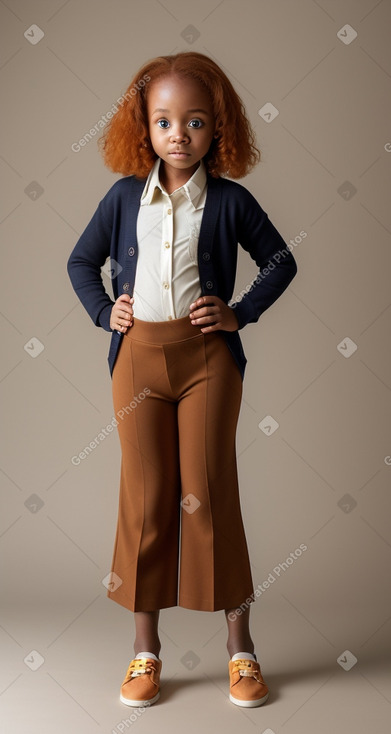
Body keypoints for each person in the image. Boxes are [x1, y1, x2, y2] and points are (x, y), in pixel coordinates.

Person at [67, 51, 297, 710]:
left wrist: (239, 311)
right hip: (137, 360)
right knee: (146, 500)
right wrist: (102, 308)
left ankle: (241, 652)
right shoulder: (121, 198)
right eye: (164, 121)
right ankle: (145, 652)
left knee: (210, 493)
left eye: (195, 121)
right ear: (142, 125)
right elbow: (82, 262)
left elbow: (279, 260)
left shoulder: (228, 200)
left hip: (206, 364)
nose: (179, 134)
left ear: (216, 127)